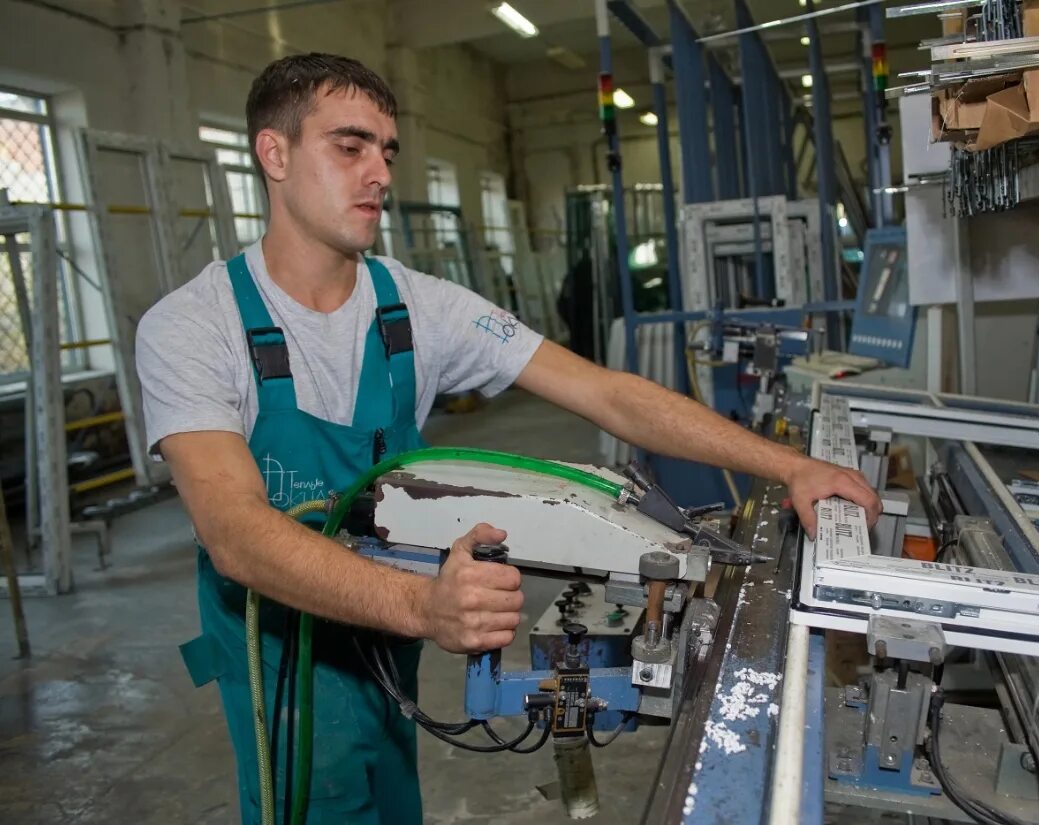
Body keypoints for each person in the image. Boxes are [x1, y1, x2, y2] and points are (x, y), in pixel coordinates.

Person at [135, 53, 881, 824]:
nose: (379, 173)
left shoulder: (415, 306)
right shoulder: (195, 326)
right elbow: (235, 533)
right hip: (284, 666)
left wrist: (789, 464)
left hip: (385, 645)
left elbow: (607, 392)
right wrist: (426, 605)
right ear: (274, 154)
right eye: (350, 146)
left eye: (387, 151)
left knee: (394, 803)